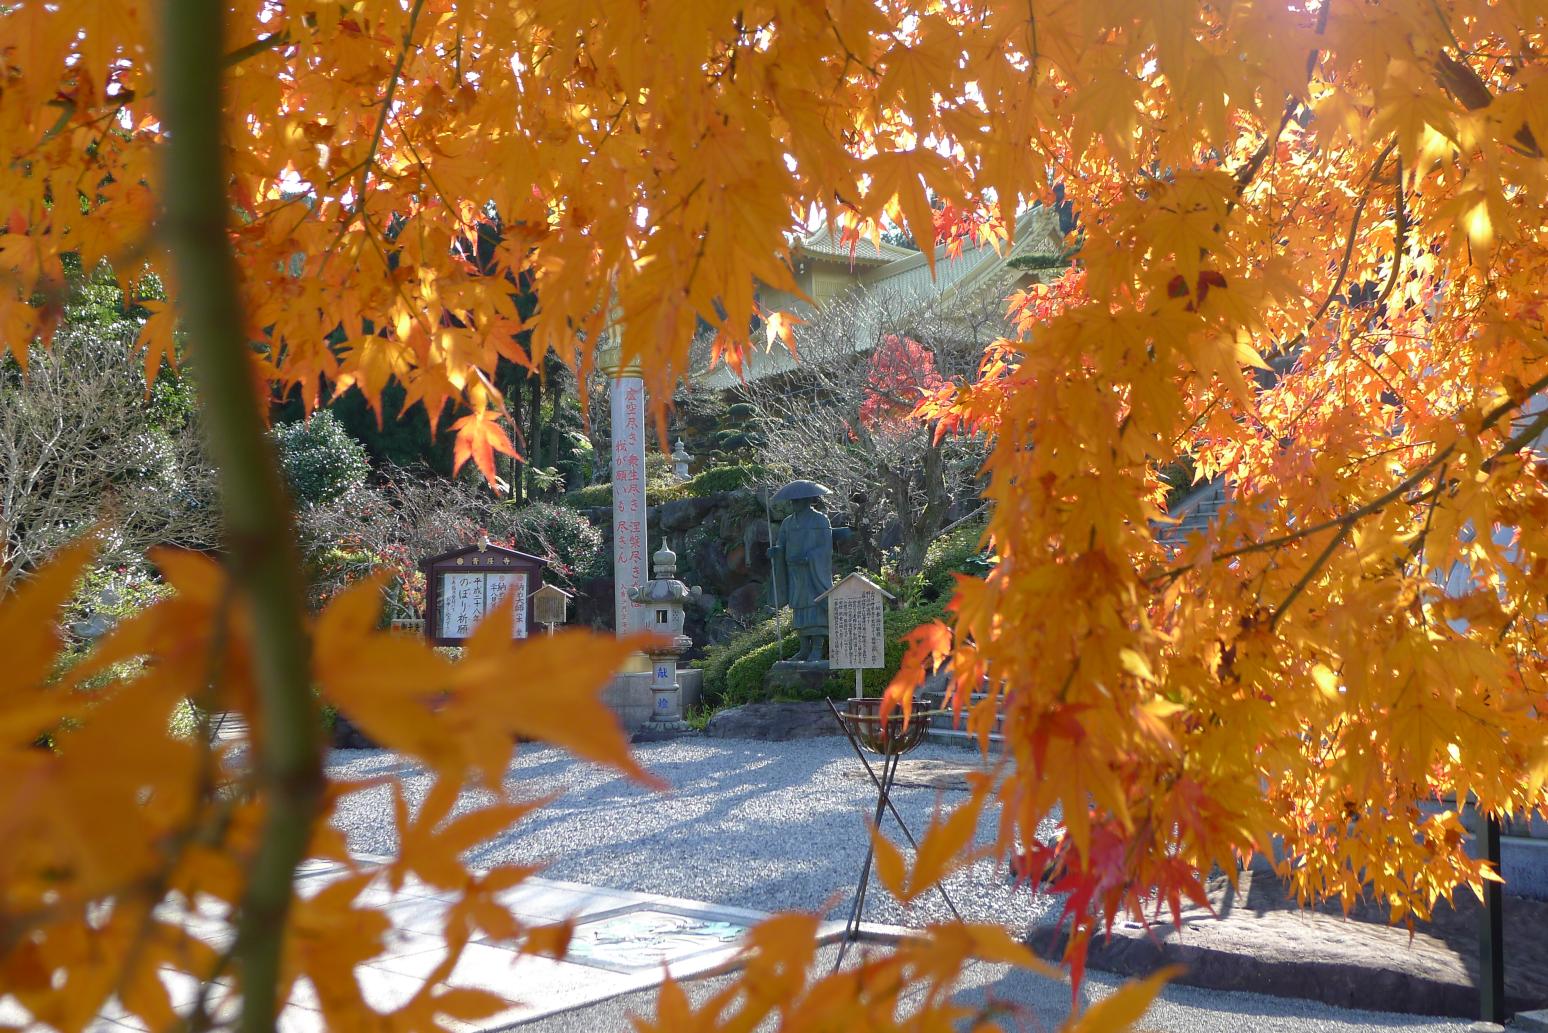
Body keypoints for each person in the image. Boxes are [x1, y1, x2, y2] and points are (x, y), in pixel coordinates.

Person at [768, 480, 835, 663]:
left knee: (816, 606)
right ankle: (804, 648)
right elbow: (781, 544)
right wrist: (776, 551)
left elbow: (826, 548)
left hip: (814, 573)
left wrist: (810, 558)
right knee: (799, 608)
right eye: (792, 502)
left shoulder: (820, 520)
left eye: (797, 501)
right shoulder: (788, 523)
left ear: (807, 500)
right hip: (795, 573)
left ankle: (817, 648)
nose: (793, 504)